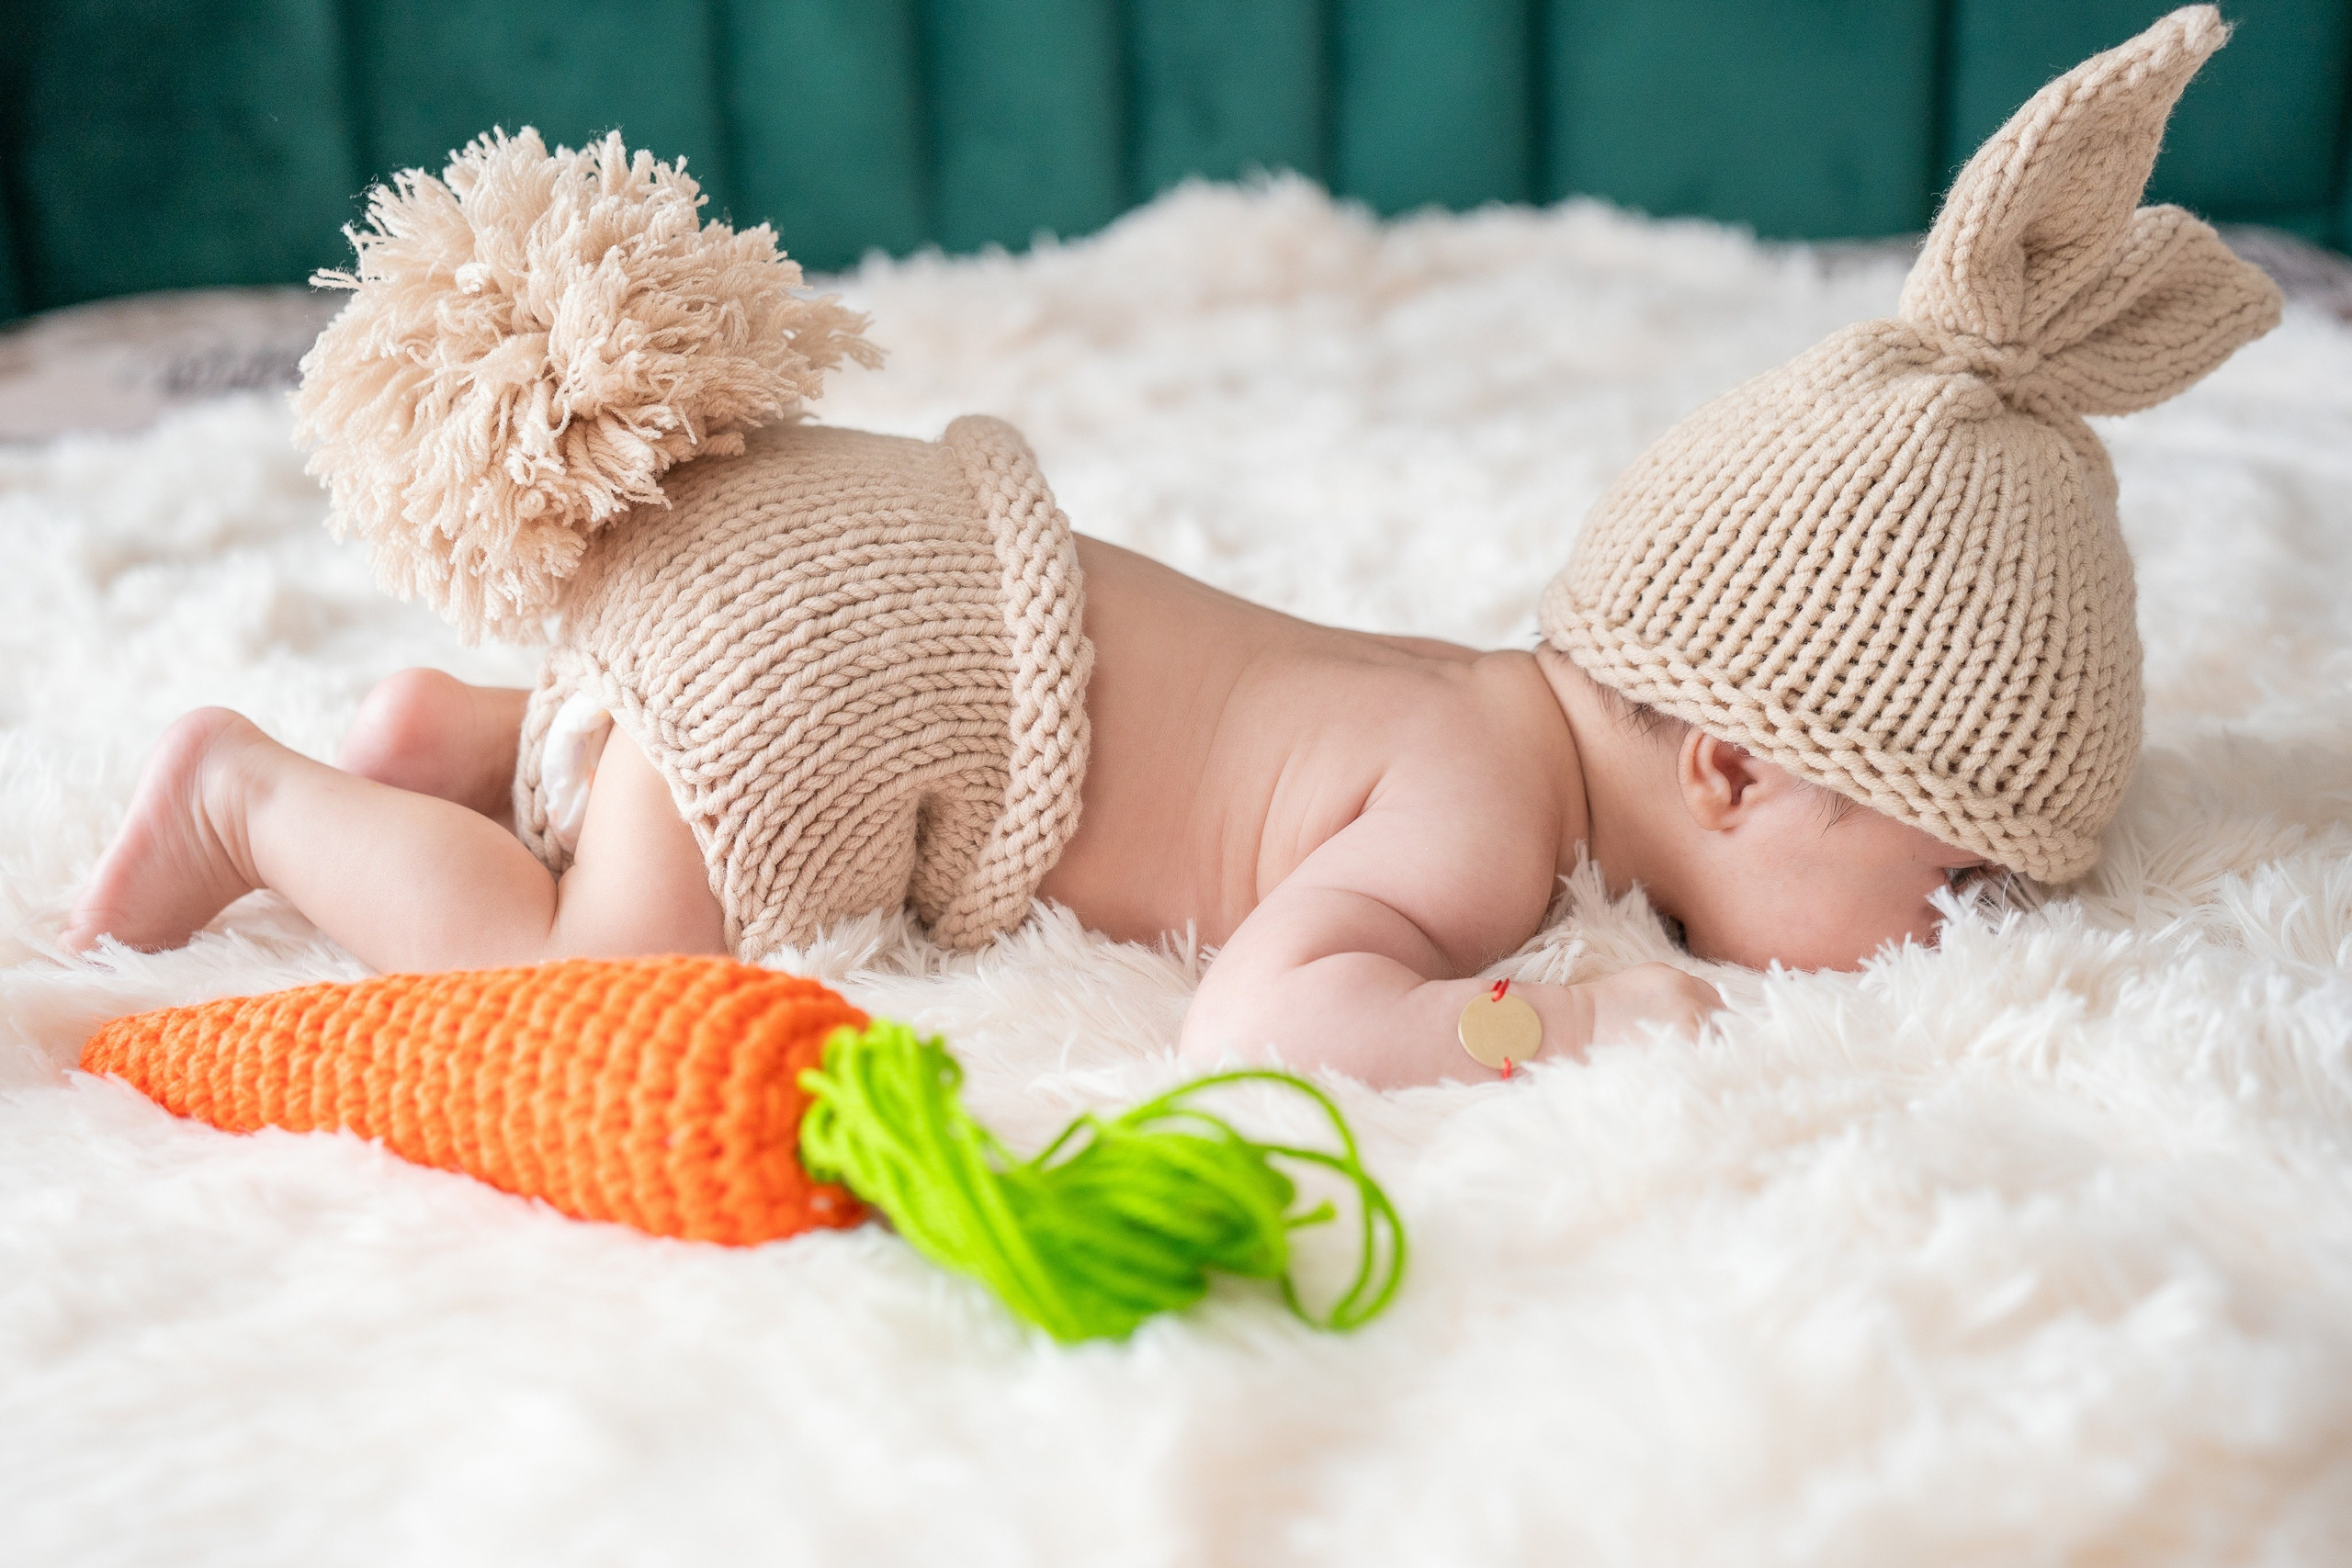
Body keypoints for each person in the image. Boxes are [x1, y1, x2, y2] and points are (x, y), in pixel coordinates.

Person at [63, 8, 2278, 1089]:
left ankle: (469, 729)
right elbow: (1275, 1025)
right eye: (1956, 871)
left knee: (630, 735)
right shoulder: (1485, 828)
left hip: (840, 561)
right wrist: (1573, 1023)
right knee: (592, 997)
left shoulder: (1476, 697)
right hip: (832, 656)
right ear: (1732, 767)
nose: (1966, 925)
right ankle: (259, 790)